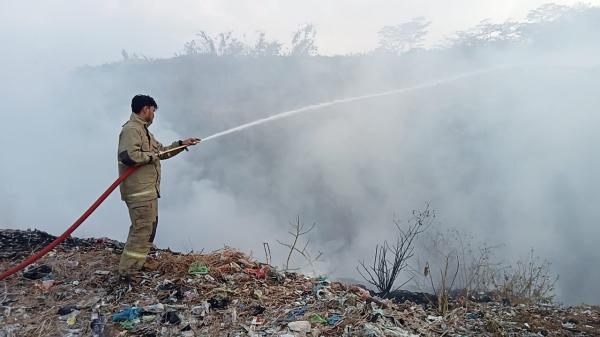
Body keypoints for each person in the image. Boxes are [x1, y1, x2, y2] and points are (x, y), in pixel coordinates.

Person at [117, 94, 199, 278]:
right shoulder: (131, 130)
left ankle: (138, 264)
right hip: (139, 192)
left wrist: (181, 144)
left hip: (148, 192)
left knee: (148, 229)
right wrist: (150, 156)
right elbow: (128, 156)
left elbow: (161, 151)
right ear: (145, 109)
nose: (154, 115)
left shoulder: (144, 131)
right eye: (153, 111)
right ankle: (128, 271)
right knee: (141, 230)